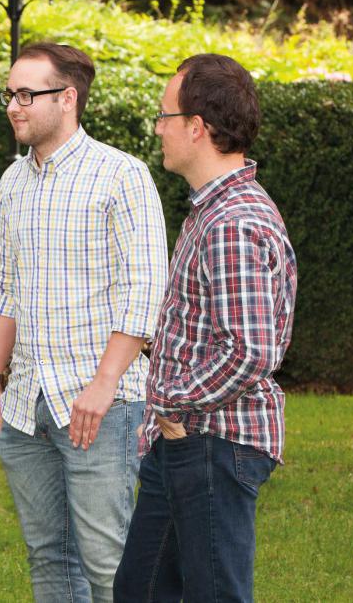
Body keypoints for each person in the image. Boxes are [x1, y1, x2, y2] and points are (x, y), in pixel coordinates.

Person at [0, 42, 169, 602]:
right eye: (9, 94)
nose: (14, 106)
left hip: (100, 406)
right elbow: (2, 282)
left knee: (110, 563)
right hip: (24, 406)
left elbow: (144, 291)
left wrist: (104, 385)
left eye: (25, 94)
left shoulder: (121, 175)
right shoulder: (13, 181)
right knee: (49, 560)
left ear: (67, 99)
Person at [114, 54, 297, 602]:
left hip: (214, 440)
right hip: (186, 441)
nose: (159, 129)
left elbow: (251, 350)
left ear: (198, 127)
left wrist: (172, 402)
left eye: (164, 116)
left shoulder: (233, 222)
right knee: (141, 591)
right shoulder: (211, 210)